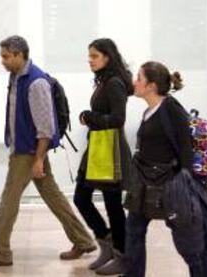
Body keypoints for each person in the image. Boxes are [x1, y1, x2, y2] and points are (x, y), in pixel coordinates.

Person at [0, 35, 96, 267]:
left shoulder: (36, 82)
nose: (3, 61)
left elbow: (46, 128)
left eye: (6, 56)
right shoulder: (17, 77)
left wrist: (38, 159)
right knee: (53, 195)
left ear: (20, 55)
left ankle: (0, 251)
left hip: (28, 152)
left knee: (9, 200)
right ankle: (83, 240)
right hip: (26, 148)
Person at [123, 61, 207, 277]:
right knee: (134, 231)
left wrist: (186, 187)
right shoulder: (150, 110)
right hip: (147, 185)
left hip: (171, 187)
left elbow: (185, 149)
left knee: (194, 246)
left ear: (151, 86)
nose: (134, 82)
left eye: (139, 78)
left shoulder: (171, 109)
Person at [73, 38, 133, 275]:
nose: (90, 60)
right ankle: (107, 243)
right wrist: (91, 117)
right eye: (89, 56)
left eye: (95, 56)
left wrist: (90, 117)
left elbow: (118, 119)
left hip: (110, 149)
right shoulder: (105, 81)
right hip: (98, 147)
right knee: (81, 197)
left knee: (113, 205)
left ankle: (122, 255)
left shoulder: (115, 83)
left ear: (108, 57)